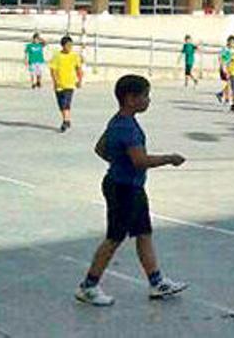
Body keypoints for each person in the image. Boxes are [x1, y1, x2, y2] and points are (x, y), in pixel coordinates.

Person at [75, 75, 188, 306]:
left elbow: (100, 148)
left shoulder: (118, 121)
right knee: (114, 238)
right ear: (130, 99)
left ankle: (156, 281)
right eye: (145, 95)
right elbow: (139, 160)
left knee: (143, 233)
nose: (148, 100)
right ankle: (88, 286)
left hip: (131, 186)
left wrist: (117, 159)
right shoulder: (127, 128)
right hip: (123, 188)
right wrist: (169, 158)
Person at [49, 35, 84, 133]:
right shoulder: (57, 56)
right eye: (68, 45)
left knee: (66, 102)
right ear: (63, 46)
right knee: (61, 104)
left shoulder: (74, 56)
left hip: (70, 83)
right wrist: (55, 82)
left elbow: (79, 69)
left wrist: (79, 80)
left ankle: (65, 121)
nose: (70, 47)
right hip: (59, 84)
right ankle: (67, 119)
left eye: (71, 45)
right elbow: (53, 70)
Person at [216, 35, 234, 105]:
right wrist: (223, 68)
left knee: (229, 84)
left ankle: (221, 94)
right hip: (225, 68)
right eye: (231, 42)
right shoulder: (224, 49)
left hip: (230, 68)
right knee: (229, 83)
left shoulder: (232, 50)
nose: (233, 44)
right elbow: (221, 58)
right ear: (228, 42)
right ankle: (226, 98)